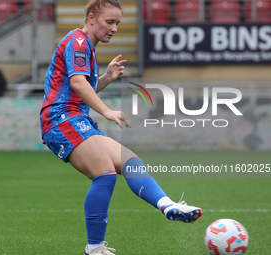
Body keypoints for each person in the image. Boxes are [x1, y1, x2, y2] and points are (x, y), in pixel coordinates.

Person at [40, 0, 203, 254]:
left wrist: (105, 78)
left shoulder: (87, 47)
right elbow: (78, 86)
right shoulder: (78, 41)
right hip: (61, 119)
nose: (114, 28)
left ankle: (168, 205)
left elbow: (81, 88)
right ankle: (94, 248)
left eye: (117, 23)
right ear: (92, 18)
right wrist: (106, 111)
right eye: (110, 21)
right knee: (104, 173)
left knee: (131, 162)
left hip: (74, 118)